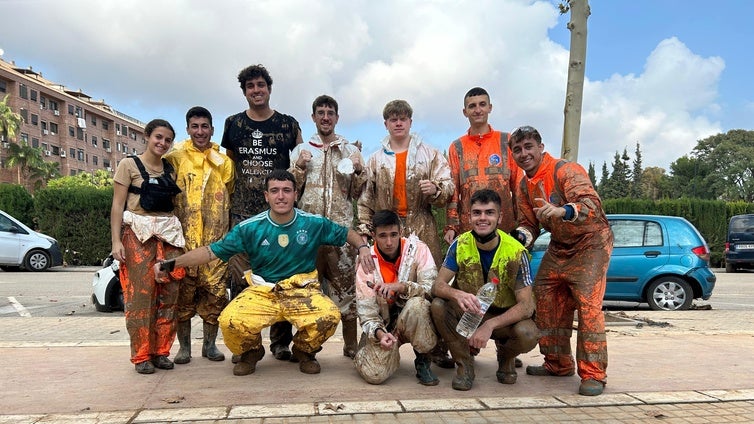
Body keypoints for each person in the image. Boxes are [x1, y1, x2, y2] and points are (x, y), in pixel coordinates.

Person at [153, 170, 375, 377]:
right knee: (230, 320)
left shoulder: (313, 223)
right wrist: (172, 263)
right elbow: (211, 252)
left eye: (287, 190)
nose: (281, 196)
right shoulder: (249, 228)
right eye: (275, 191)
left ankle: (304, 351)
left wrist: (363, 247)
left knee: (329, 316)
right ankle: (252, 351)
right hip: (263, 292)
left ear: (295, 194)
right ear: (266, 196)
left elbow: (346, 232)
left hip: (302, 292)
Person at [509, 125, 614, 396]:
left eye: (529, 147)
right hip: (560, 246)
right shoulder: (523, 186)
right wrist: (520, 237)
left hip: (591, 243)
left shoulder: (565, 170)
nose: (524, 154)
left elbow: (592, 206)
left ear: (541, 147)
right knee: (544, 294)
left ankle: (593, 374)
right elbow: (528, 223)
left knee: (588, 306)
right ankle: (557, 363)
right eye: (518, 150)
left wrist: (562, 210)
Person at [357, 99, 455, 368]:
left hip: (422, 225)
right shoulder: (376, 159)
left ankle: (435, 349)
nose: (398, 122)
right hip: (387, 228)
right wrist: (365, 238)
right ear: (386, 124)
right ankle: (379, 334)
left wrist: (435, 190)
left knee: (429, 289)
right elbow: (365, 200)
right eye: (392, 118)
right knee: (377, 284)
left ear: (410, 121)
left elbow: (448, 187)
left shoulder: (431, 154)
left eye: (403, 117)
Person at [220, 64, 303, 361]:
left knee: (282, 276)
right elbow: (229, 167)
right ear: (244, 92)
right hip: (243, 214)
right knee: (242, 279)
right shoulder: (233, 125)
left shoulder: (288, 125)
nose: (256, 90)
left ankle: (281, 342)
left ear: (269, 88)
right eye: (250, 86)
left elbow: (301, 165)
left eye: (261, 85)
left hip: (281, 215)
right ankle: (246, 343)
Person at [431, 189, 539, 391]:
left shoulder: (516, 251)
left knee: (528, 333)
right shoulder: (460, 244)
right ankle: (465, 365)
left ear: (500, 217)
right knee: (438, 306)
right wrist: (457, 294)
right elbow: (438, 286)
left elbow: (526, 306)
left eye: (489, 212)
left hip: (503, 317)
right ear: (469, 216)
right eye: (477, 212)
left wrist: (490, 325)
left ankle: (506, 356)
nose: (482, 218)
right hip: (471, 314)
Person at [289, 95, 366, 358]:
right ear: (313, 117)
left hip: (340, 232)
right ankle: (305, 346)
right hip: (307, 234)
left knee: (346, 289)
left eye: (330, 112)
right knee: (305, 289)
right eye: (320, 112)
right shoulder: (300, 150)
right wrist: (298, 168)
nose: (325, 117)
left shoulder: (350, 150)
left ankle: (351, 345)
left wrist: (357, 171)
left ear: (336, 117)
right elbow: (290, 191)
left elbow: (358, 193)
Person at [110, 119, 185, 374]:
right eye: (158, 137)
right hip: (137, 236)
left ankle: (161, 351)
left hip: (168, 236)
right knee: (140, 297)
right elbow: (117, 206)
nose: (162, 143)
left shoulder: (170, 169)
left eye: (167, 140)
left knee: (169, 297)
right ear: (147, 136)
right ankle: (141, 355)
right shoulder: (128, 165)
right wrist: (116, 241)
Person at [165, 106, 234, 364]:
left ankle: (210, 345)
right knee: (183, 295)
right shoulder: (175, 158)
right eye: (195, 126)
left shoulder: (224, 162)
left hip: (216, 244)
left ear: (212, 129)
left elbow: (230, 194)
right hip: (183, 243)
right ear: (187, 129)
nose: (200, 131)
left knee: (215, 294)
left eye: (204, 126)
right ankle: (184, 348)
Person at [353, 210, 440, 386]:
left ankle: (423, 359)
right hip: (384, 324)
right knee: (374, 375)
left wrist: (401, 286)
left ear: (401, 231)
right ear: (373, 235)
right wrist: (379, 333)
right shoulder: (366, 261)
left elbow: (432, 289)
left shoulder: (419, 249)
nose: (389, 242)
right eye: (382, 236)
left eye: (393, 234)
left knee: (418, 305)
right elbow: (366, 313)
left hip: (413, 315)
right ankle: (378, 350)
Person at [443, 87, 522, 245]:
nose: (478, 110)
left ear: (490, 108)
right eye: (472, 106)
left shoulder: (506, 140)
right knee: (472, 269)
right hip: (470, 227)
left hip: (504, 225)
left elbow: (519, 185)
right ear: (465, 112)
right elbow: (453, 191)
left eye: (482, 104)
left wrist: (523, 223)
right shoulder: (457, 147)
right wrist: (452, 225)